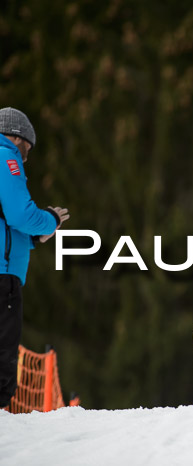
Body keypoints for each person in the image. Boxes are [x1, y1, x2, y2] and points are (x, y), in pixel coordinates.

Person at [0, 108, 70, 408]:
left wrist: (31, 238)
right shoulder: (5, 155)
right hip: (2, 275)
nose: (25, 158)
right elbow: (20, 214)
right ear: (15, 137)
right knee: (3, 350)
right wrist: (50, 220)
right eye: (26, 148)